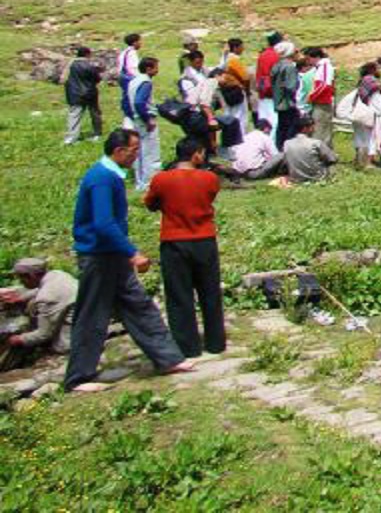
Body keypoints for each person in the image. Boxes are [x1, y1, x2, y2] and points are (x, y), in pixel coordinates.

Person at [64, 128, 192, 392]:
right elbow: (103, 223)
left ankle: (167, 358)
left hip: (112, 255)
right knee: (92, 314)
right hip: (98, 256)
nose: (136, 155)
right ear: (119, 151)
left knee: (139, 306)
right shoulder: (102, 178)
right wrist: (132, 253)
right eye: (134, 150)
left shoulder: (111, 176)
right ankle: (78, 376)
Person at [144, 136, 225, 359]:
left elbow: (151, 203)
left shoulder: (161, 179)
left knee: (179, 295)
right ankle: (216, 341)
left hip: (174, 240)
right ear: (196, 154)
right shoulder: (209, 178)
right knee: (210, 292)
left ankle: (187, 346)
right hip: (205, 239)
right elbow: (209, 197)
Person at [0, 259, 77, 372]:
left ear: (31, 276)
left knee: (60, 346)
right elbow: (40, 289)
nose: (21, 282)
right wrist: (22, 298)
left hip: (74, 333)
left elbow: (44, 334)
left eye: (22, 278)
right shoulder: (58, 274)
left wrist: (19, 339)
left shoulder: (46, 297)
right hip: (84, 313)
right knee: (32, 305)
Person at [121, 55, 161, 191]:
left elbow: (127, 101)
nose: (157, 70)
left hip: (135, 119)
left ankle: (140, 180)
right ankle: (148, 182)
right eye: (156, 67)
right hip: (144, 119)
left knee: (138, 151)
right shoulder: (146, 82)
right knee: (148, 151)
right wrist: (147, 119)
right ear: (149, 69)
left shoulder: (134, 80)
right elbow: (139, 102)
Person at [63, 46, 104, 145]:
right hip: (90, 93)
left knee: (74, 115)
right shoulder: (89, 66)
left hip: (74, 93)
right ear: (87, 54)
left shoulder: (71, 65)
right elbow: (98, 79)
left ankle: (71, 138)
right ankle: (97, 133)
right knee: (95, 114)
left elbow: (64, 79)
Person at [352, 62, 381, 168]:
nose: (379, 70)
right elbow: (378, 98)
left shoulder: (363, 81)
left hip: (363, 113)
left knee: (361, 137)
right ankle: (368, 162)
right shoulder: (370, 81)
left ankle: (359, 160)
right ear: (372, 70)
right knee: (371, 138)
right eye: (377, 68)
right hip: (371, 114)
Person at [219, 118, 283, 181]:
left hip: (238, 172)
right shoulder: (265, 137)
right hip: (253, 173)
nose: (269, 133)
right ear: (266, 128)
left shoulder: (245, 137)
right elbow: (275, 155)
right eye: (270, 131)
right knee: (282, 155)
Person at [283, 115, 338, 184]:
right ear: (305, 129)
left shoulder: (287, 144)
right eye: (312, 127)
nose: (314, 130)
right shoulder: (316, 143)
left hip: (296, 179)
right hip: (317, 178)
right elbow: (333, 159)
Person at [301, 47, 335, 148]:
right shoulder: (319, 67)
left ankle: (321, 153)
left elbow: (324, 85)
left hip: (322, 102)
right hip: (319, 101)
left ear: (316, 57)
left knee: (320, 130)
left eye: (309, 59)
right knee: (321, 128)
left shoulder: (324, 66)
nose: (308, 62)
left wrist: (311, 96)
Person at [270, 40, 301, 151]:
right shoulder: (290, 67)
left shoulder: (277, 65)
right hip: (288, 104)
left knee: (281, 129)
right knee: (290, 131)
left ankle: (279, 151)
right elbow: (291, 86)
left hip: (279, 103)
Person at [253, 31, 283, 137]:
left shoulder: (263, 55)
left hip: (262, 91)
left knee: (263, 119)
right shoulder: (276, 55)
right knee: (274, 121)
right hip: (273, 93)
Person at [116, 32, 141, 105]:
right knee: (131, 97)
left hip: (122, 75)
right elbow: (132, 68)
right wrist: (138, 78)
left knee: (126, 96)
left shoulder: (124, 52)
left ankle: (127, 114)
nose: (141, 43)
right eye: (139, 41)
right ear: (134, 42)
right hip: (129, 77)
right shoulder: (132, 53)